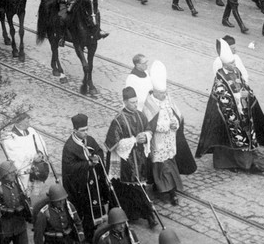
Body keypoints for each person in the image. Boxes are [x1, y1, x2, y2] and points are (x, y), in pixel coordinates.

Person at [195, 39, 264, 174]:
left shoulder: (237, 72)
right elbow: (223, 97)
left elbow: (244, 86)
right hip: (227, 113)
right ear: (224, 64)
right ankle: (233, 163)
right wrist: (239, 97)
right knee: (229, 140)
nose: (234, 65)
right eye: (231, 63)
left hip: (242, 108)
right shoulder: (220, 77)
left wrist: (247, 94)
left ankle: (247, 163)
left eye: (234, 62)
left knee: (244, 137)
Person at [103, 87, 155, 228]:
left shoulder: (140, 115)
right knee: (132, 190)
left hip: (140, 159)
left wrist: (146, 136)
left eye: (136, 101)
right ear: (125, 102)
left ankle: (146, 214)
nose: (135, 104)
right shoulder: (118, 120)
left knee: (140, 186)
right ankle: (146, 215)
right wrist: (133, 140)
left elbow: (149, 128)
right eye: (132, 102)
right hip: (126, 162)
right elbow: (113, 144)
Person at [142, 61, 190, 206]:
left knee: (169, 161)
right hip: (158, 139)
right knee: (161, 165)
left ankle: (169, 188)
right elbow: (150, 124)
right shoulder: (149, 102)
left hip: (170, 138)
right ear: (155, 92)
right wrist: (166, 125)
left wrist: (175, 122)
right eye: (161, 93)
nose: (164, 95)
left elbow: (175, 113)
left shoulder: (168, 98)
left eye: (165, 92)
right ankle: (166, 190)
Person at [61, 113, 108, 242]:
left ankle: (96, 232)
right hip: (81, 187)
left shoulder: (90, 140)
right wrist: (87, 164)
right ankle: (86, 236)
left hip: (94, 184)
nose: (86, 133)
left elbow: (98, 150)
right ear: (75, 130)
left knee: (96, 209)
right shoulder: (69, 147)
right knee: (85, 214)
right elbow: (70, 168)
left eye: (87, 129)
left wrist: (97, 158)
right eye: (82, 131)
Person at [0, 160, 32, 244]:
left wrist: (25, 209)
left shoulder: (18, 185)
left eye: (13, 172)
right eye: (10, 172)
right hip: (5, 228)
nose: (13, 174)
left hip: (19, 225)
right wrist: (4, 210)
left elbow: (26, 201)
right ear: (5, 175)